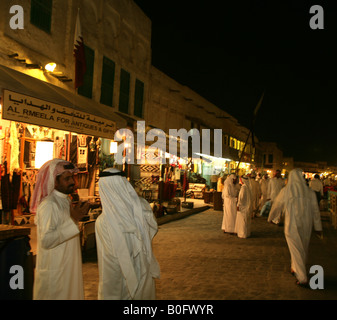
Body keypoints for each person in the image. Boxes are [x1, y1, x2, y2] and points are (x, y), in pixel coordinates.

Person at [95, 168, 160, 300]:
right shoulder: (142, 206)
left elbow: (110, 264)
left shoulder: (104, 221)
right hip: (143, 271)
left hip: (122, 282)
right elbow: (153, 229)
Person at [30, 159, 90, 300]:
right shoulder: (49, 205)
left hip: (68, 268)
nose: (73, 182)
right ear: (54, 181)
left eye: (72, 177)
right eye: (67, 178)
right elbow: (46, 240)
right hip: (55, 273)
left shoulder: (65, 200)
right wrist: (73, 219)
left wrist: (74, 218)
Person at [267, 168, 323, 287]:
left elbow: (277, 205)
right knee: (302, 247)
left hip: (292, 224)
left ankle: (302, 277)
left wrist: (270, 217)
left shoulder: (286, 191)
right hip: (306, 224)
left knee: (296, 248)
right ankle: (295, 268)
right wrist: (318, 227)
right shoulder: (310, 192)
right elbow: (315, 211)